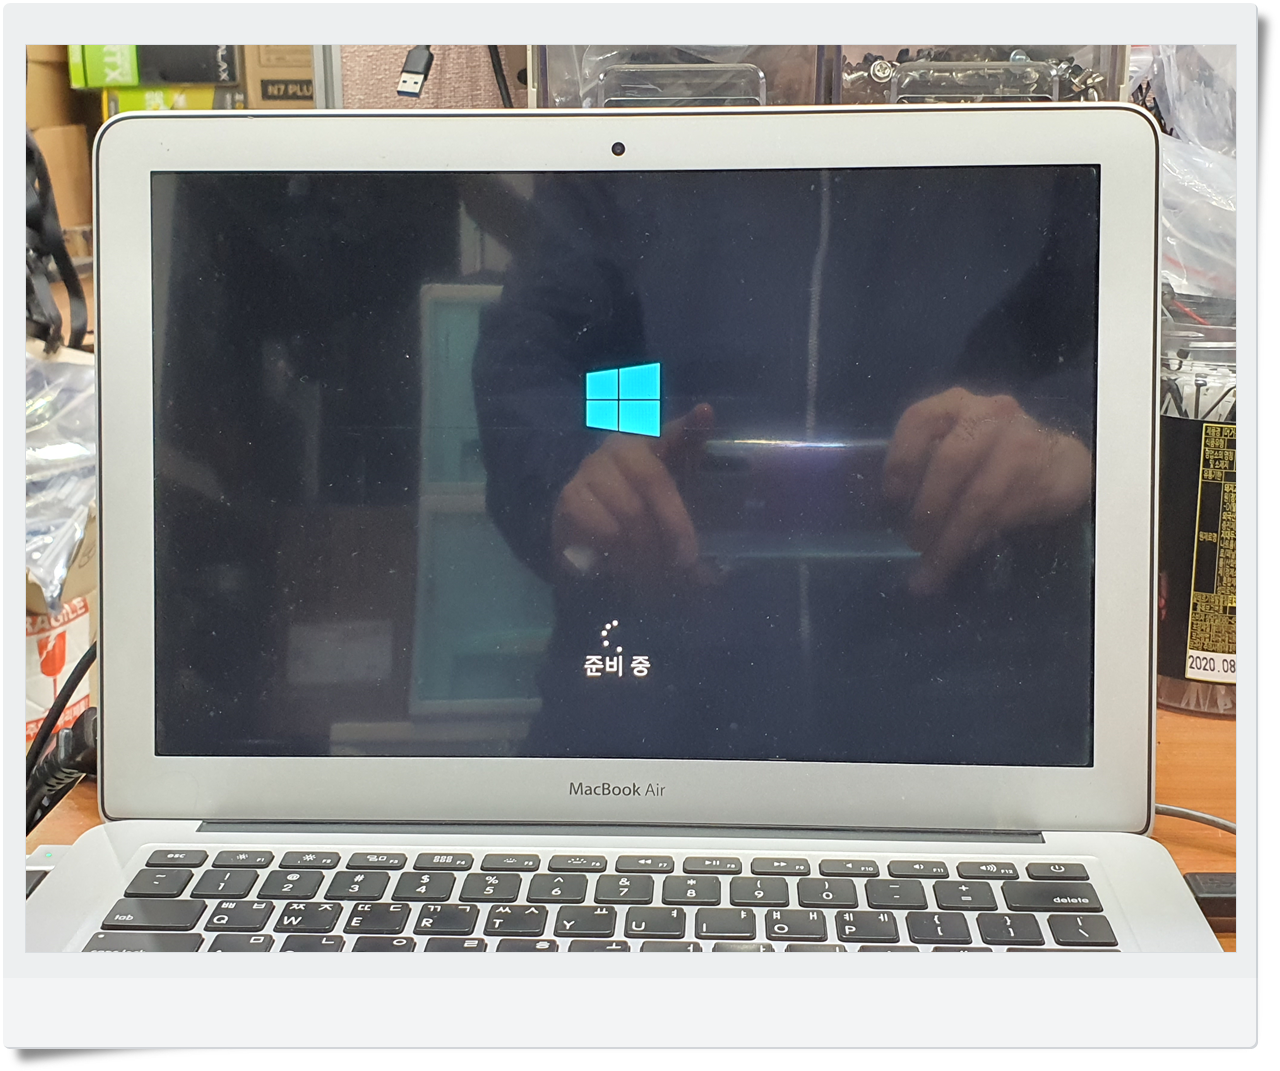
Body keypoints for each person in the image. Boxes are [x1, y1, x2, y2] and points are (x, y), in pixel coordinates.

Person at [473, 164, 1099, 765]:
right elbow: (543, 353)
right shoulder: (632, 133)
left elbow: (1122, 338)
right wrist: (578, 465)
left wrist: (1074, 427)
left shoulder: (1044, 149)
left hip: (980, 711)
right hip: (650, 703)